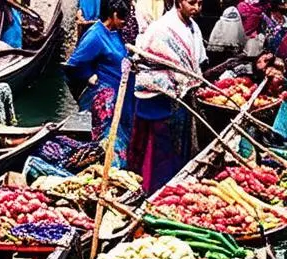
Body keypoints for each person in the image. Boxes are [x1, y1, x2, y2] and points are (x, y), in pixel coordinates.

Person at [128, 0, 205, 192]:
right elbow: (148, 64)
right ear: (179, 2)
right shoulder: (162, 29)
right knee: (159, 152)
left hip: (181, 100)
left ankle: (175, 186)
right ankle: (155, 190)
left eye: (200, 3)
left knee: (179, 149)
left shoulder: (193, 28)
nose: (196, 8)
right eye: (191, 2)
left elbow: (194, 63)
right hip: (159, 101)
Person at [67, 0, 134, 166]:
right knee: (107, 138)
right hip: (105, 100)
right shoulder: (95, 35)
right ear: (114, 15)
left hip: (121, 94)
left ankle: (118, 166)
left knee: (122, 135)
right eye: (123, 18)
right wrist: (88, 75)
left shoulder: (115, 32)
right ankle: (108, 169)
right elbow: (73, 64)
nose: (125, 22)